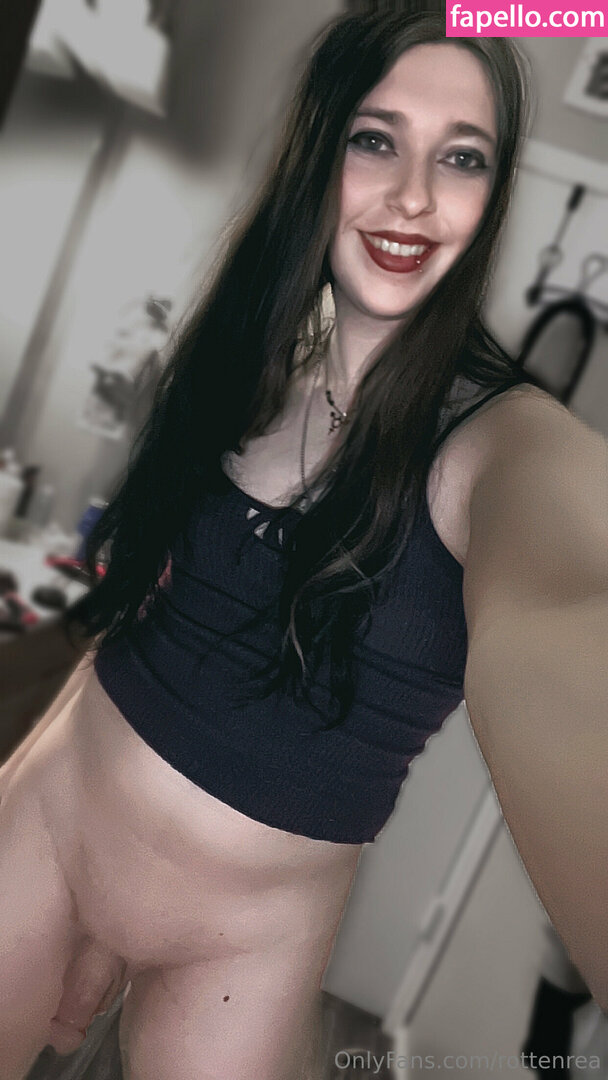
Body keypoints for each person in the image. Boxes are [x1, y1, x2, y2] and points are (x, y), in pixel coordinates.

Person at [1, 10, 607, 1079]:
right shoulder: (248, 355)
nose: (412, 195)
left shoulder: (508, 443)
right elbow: (140, 616)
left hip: (249, 944)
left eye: (461, 157)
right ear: (321, 149)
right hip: (48, 824)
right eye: (376, 139)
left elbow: (570, 622)